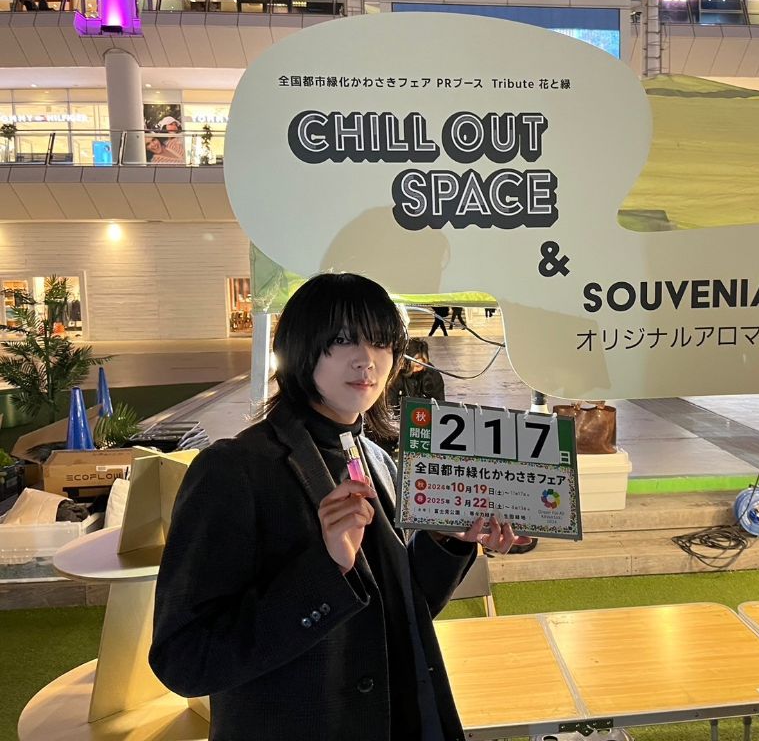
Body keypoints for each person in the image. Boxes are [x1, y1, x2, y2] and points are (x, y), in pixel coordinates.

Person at [150, 273, 529, 740]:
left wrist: (445, 539)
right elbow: (186, 660)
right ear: (299, 348)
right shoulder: (234, 469)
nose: (366, 359)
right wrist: (328, 568)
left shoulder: (376, 460)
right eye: (343, 340)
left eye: (381, 343)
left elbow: (399, 616)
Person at [387, 337, 445, 411]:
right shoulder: (395, 375)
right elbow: (390, 403)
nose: (414, 370)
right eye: (410, 366)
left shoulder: (433, 376)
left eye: (418, 366)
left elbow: (440, 405)